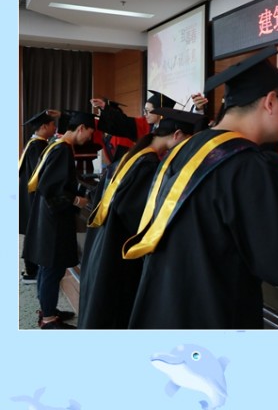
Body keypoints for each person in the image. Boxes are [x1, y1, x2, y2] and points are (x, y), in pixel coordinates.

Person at [122, 46, 278, 329]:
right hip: (212, 315)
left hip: (163, 307)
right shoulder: (248, 165)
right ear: (270, 102)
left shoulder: (184, 149)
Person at [78, 108, 206, 329]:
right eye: (187, 141)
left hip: (104, 239)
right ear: (176, 135)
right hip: (120, 248)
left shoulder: (133, 156)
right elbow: (136, 214)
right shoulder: (148, 165)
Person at [22, 110, 96, 329]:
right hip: (53, 220)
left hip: (46, 216)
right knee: (52, 268)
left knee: (48, 267)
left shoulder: (56, 145)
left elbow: (54, 182)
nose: (89, 138)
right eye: (90, 133)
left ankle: (48, 310)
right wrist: (77, 200)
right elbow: (50, 187)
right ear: (81, 128)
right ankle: (48, 319)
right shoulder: (62, 149)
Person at [19, 109, 59, 283]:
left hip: (27, 193)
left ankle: (30, 269)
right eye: (52, 125)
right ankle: (32, 271)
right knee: (34, 231)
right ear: (44, 127)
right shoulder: (39, 146)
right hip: (33, 195)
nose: (55, 128)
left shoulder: (33, 143)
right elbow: (42, 173)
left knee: (31, 230)